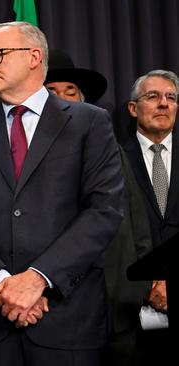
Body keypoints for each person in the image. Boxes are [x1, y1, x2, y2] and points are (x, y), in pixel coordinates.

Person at [0, 22, 123, 366]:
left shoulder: (90, 123)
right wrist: (4, 285)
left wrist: (38, 279)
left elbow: (104, 210)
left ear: (33, 57)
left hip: (68, 320)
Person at [43, 49, 155, 366]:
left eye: (71, 91)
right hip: (60, 307)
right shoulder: (26, 155)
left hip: (117, 304)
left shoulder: (110, 149)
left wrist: (142, 285)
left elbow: (136, 222)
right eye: (52, 92)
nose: (63, 98)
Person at [121, 69, 176, 364]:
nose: (164, 104)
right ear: (133, 108)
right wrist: (149, 285)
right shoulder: (114, 157)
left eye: (171, 97)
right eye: (153, 96)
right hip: (134, 308)